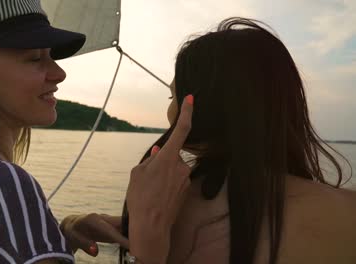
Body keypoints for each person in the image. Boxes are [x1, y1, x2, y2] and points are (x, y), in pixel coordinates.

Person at [0, 0, 194, 263]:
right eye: (35, 58)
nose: (59, 73)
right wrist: (150, 252)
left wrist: (54, 237)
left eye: (52, 56)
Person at [62, 18, 356, 264]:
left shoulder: (174, 216)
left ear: (195, 109)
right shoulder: (345, 212)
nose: (169, 110)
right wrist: (71, 224)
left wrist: (146, 250)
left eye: (172, 97)